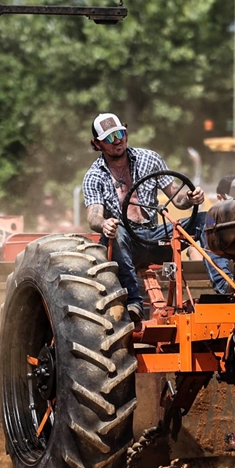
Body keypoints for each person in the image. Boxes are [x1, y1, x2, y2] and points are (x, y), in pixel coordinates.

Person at [83, 112, 206, 323]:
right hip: (124, 243)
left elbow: (176, 198)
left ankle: (222, 288)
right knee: (118, 231)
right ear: (97, 144)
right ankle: (134, 302)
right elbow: (94, 216)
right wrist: (105, 224)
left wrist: (190, 198)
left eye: (120, 133)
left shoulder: (149, 159)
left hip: (154, 235)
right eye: (110, 138)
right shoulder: (94, 176)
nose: (117, 140)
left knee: (206, 220)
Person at [202, 175, 235, 295]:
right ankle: (224, 283)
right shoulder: (211, 220)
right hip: (228, 265)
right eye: (234, 202)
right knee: (211, 229)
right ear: (220, 198)